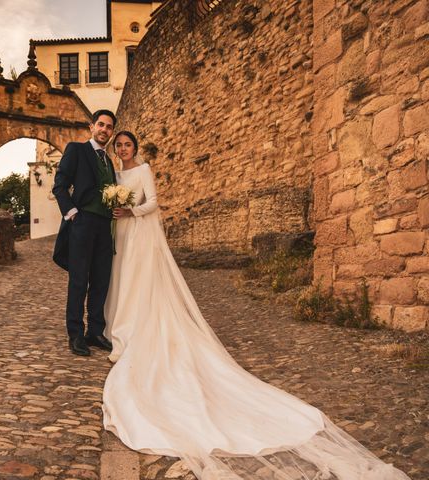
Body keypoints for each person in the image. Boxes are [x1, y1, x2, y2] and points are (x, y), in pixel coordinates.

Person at [102, 131, 410, 480]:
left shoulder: (143, 169)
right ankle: (120, 323)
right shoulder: (115, 174)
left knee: (143, 281)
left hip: (140, 231)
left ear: (135, 148)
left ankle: (138, 326)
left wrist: (131, 210)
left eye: (127, 144)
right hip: (123, 233)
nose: (123, 149)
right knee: (123, 279)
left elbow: (153, 203)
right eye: (120, 145)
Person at [52, 110, 117, 357]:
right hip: (82, 222)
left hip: (105, 226)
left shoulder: (108, 162)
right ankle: (76, 334)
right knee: (79, 280)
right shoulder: (76, 150)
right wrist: (71, 213)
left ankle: (95, 331)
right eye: (101, 124)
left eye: (109, 127)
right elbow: (60, 185)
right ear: (92, 127)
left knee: (101, 280)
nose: (104, 130)